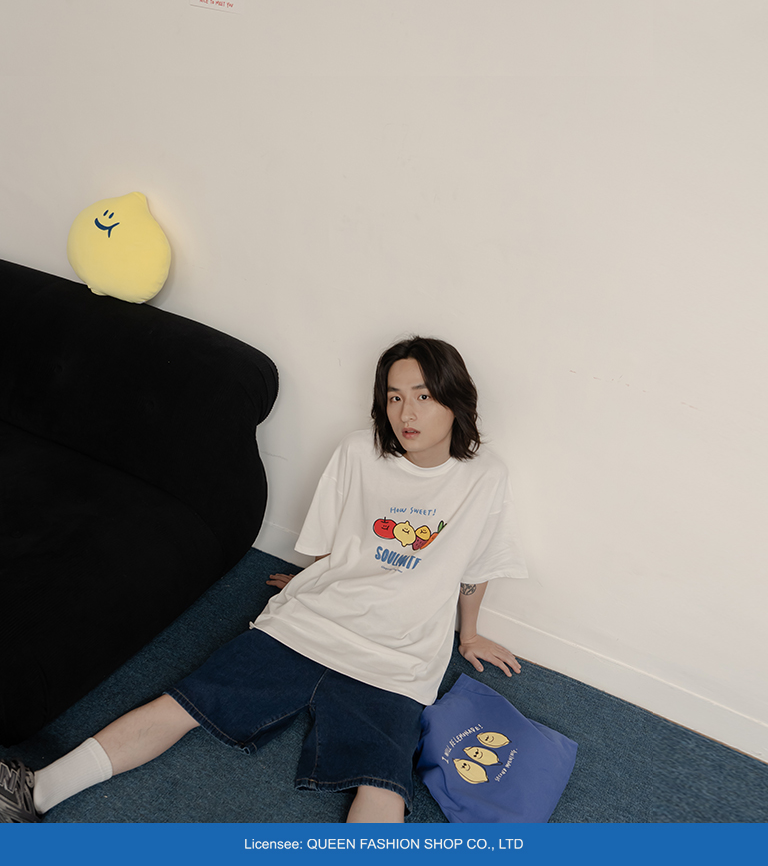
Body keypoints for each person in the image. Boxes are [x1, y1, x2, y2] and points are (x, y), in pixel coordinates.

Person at [0, 336, 527, 824]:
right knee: (183, 703)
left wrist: (469, 634)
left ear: (455, 399)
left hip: (397, 659)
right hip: (312, 623)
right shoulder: (358, 450)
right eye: (394, 397)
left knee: (382, 779)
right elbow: (329, 544)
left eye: (423, 396)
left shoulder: (485, 477)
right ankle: (36, 790)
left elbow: (476, 565)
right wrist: (313, 581)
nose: (406, 414)